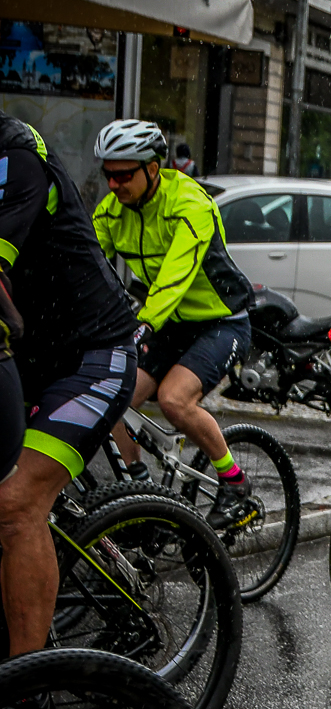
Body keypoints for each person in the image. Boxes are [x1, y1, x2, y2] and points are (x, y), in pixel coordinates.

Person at [0, 110, 138, 656]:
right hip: (29, 360)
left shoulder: (15, 157)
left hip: (92, 355)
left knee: (15, 505)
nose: (115, 183)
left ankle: (26, 682)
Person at [93, 119, 258, 530]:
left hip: (221, 322)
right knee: (110, 398)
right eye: (107, 175)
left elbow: (174, 276)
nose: (113, 184)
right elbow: (81, 266)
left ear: (153, 168)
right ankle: (140, 492)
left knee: (173, 399)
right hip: (168, 323)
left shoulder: (189, 203)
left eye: (123, 175)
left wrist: (141, 324)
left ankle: (234, 481)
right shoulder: (112, 212)